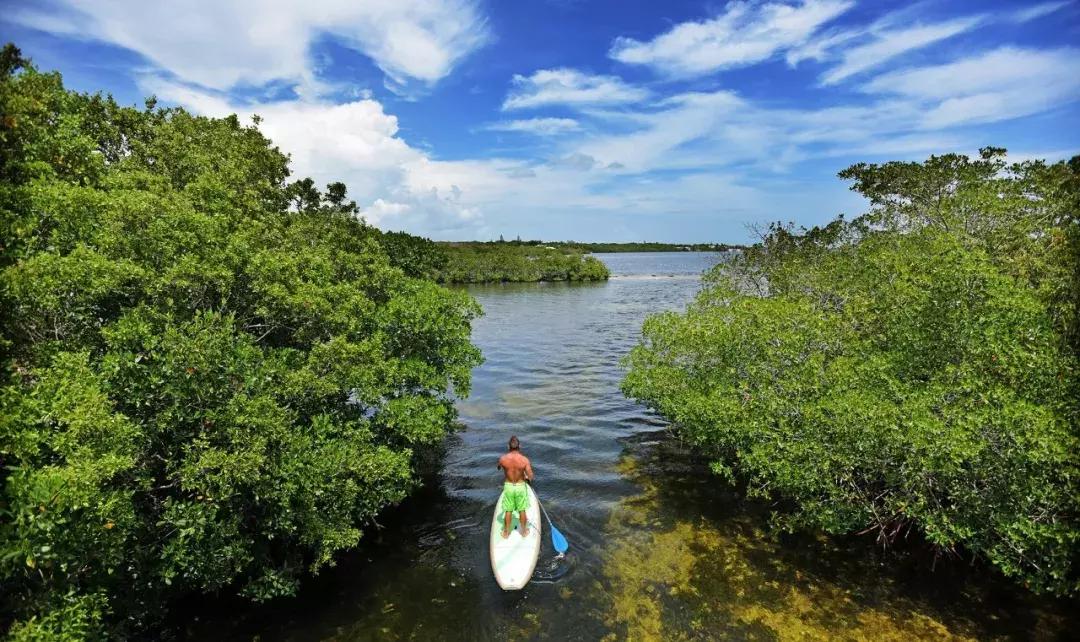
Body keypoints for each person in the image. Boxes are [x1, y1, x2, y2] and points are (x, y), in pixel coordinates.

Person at [497, 435, 534, 539]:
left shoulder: (503, 458)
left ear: (508, 446)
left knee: (508, 510)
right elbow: (530, 476)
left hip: (509, 486)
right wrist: (526, 477)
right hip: (520, 487)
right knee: (522, 510)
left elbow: (499, 467)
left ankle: (506, 533)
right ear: (519, 446)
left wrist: (504, 467)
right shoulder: (524, 460)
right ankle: (523, 532)